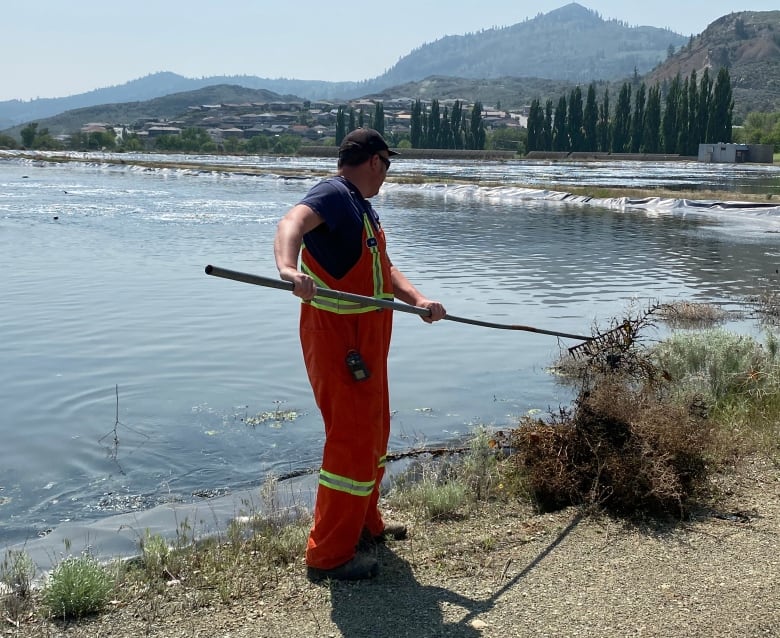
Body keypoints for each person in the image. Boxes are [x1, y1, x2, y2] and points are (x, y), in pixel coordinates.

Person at [274, 128, 446, 582]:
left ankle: (365, 526)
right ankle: (329, 554)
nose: (387, 175)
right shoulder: (332, 193)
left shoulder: (360, 207)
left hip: (368, 343)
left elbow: (383, 269)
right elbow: (290, 223)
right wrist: (288, 270)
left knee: (374, 433)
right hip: (338, 341)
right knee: (350, 440)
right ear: (374, 161)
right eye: (387, 165)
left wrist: (417, 300)